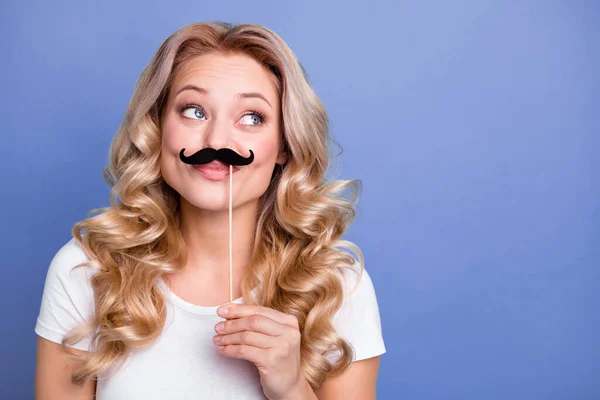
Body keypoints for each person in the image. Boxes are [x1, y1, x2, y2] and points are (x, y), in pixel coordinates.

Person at [34, 21, 386, 399]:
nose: (217, 140)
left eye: (252, 117)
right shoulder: (88, 272)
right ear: (157, 127)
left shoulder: (335, 288)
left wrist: (292, 387)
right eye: (194, 111)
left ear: (284, 144)